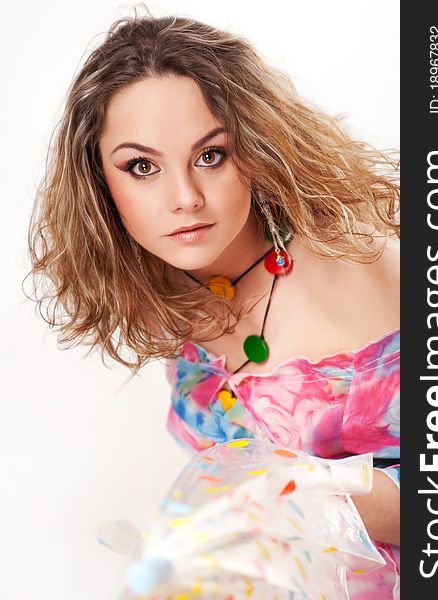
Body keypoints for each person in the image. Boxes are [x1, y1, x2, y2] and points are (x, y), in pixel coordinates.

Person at [28, 11, 400, 599]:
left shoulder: (356, 261)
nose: (184, 198)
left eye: (211, 155)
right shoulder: (162, 292)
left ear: (254, 147)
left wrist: (300, 498)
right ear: (99, 182)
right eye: (142, 167)